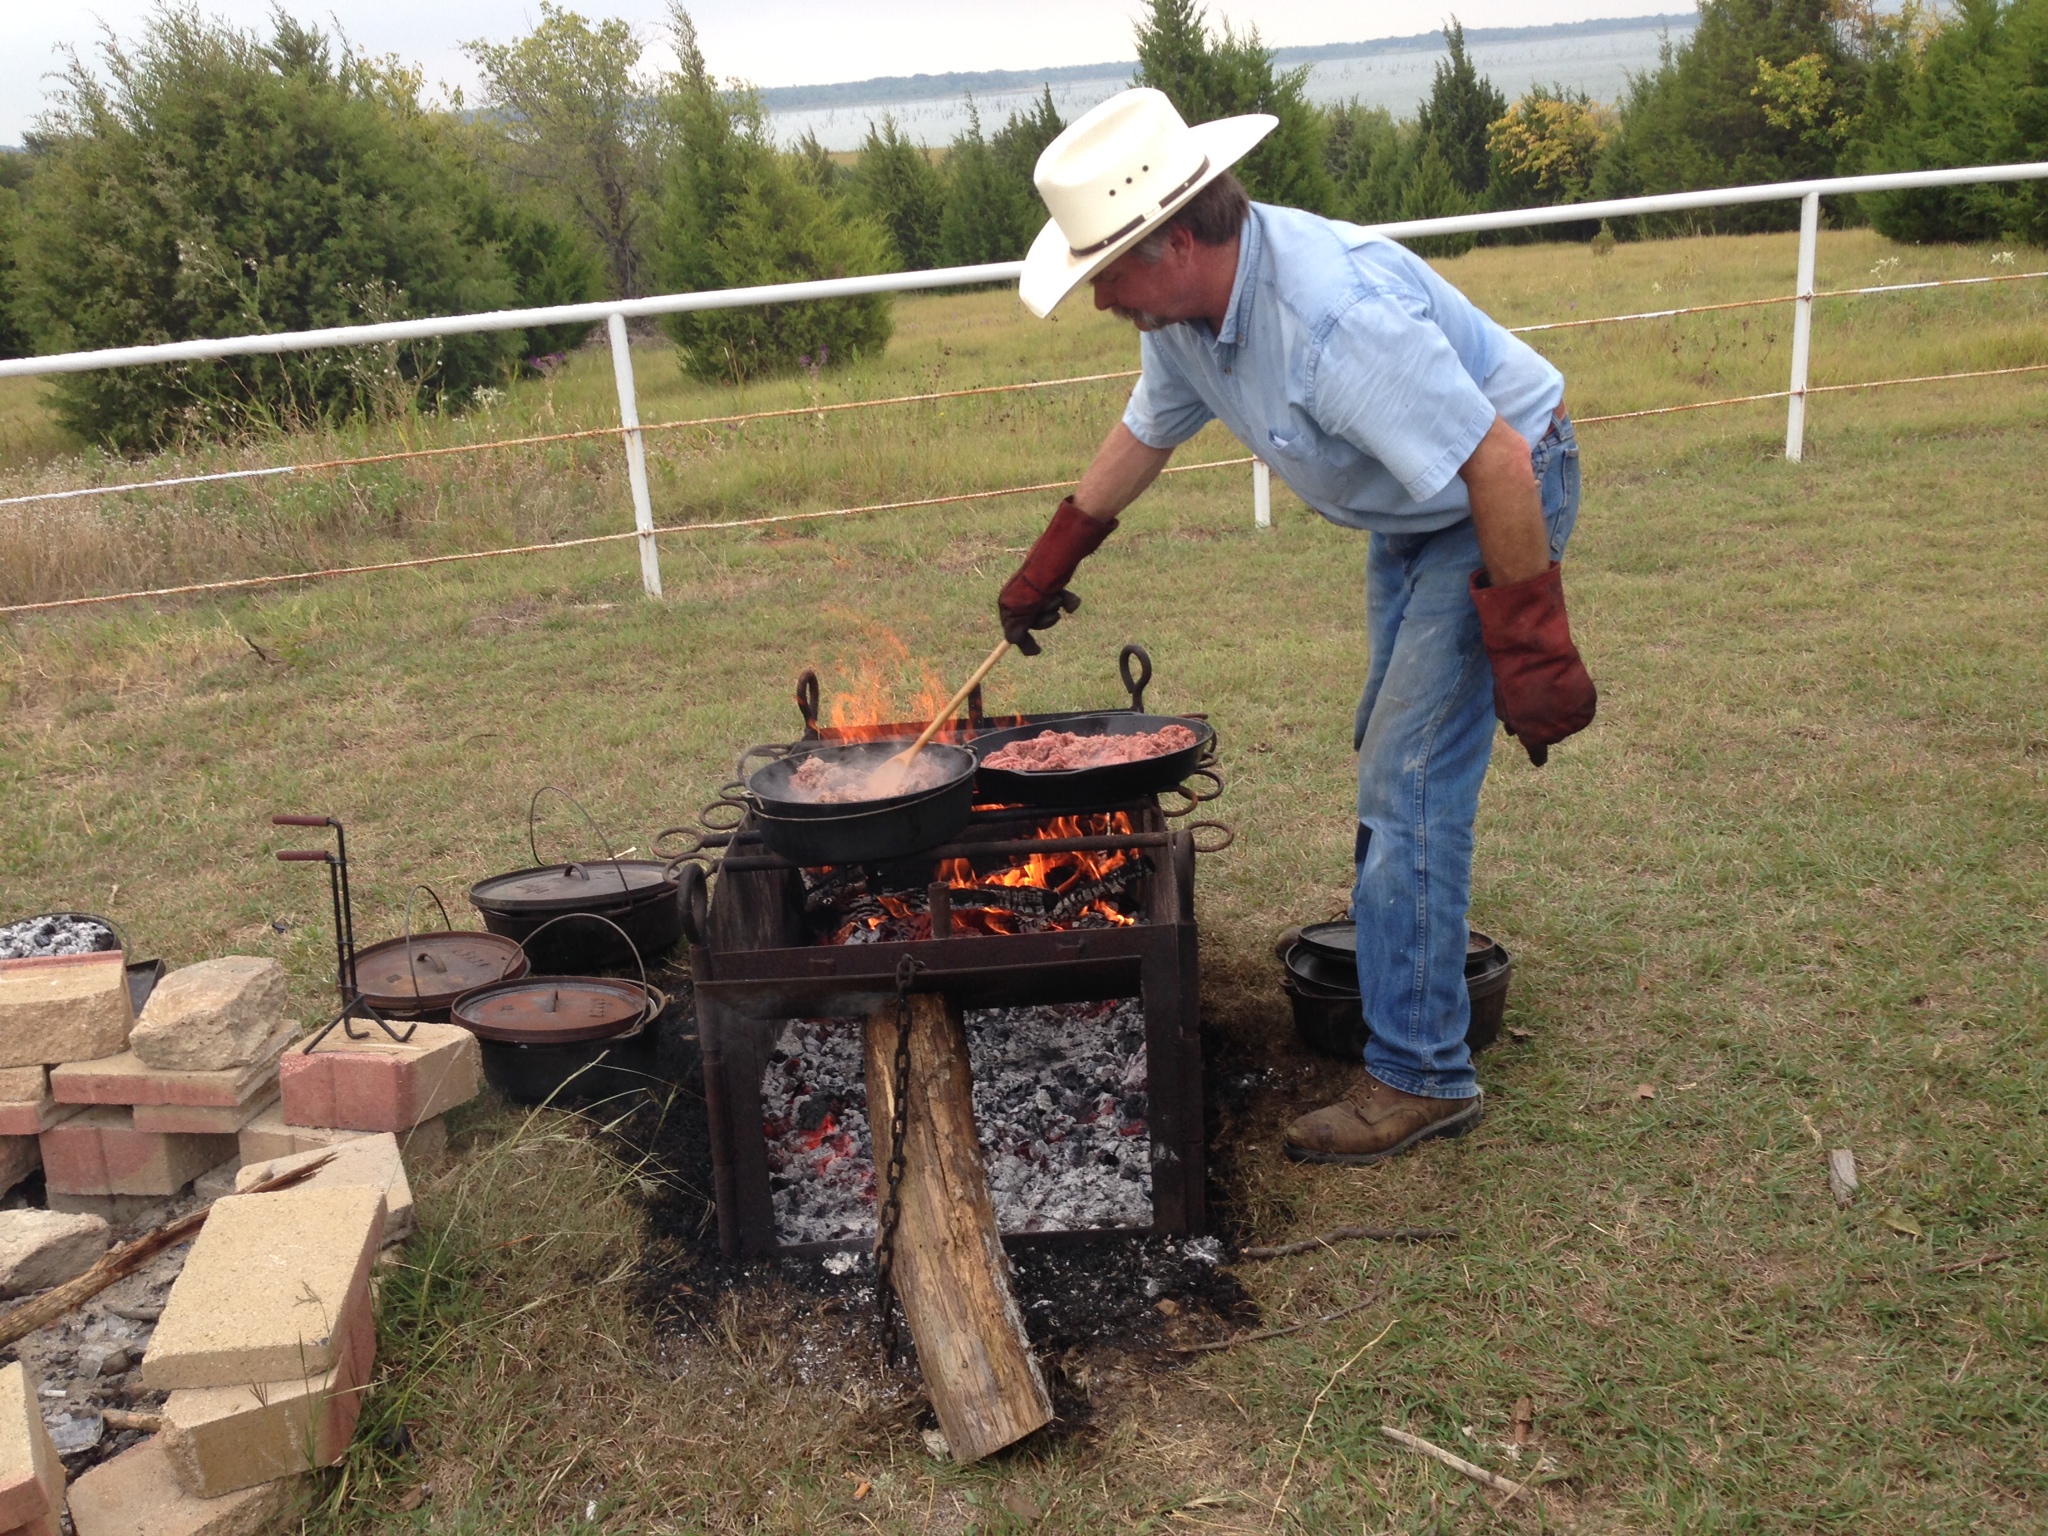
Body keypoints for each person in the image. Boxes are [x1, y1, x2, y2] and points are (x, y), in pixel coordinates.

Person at [996, 89, 1597, 1165]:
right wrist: (1058, 551)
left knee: (1409, 781)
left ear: (1175, 240)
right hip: (1416, 511)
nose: (1099, 300)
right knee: (1390, 756)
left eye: (1107, 273)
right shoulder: (1184, 316)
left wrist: (1528, 643)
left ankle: (1421, 1077)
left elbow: (1498, 461)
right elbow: (1145, 430)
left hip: (1491, 502)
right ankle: (1401, 996)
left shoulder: (1331, 318)